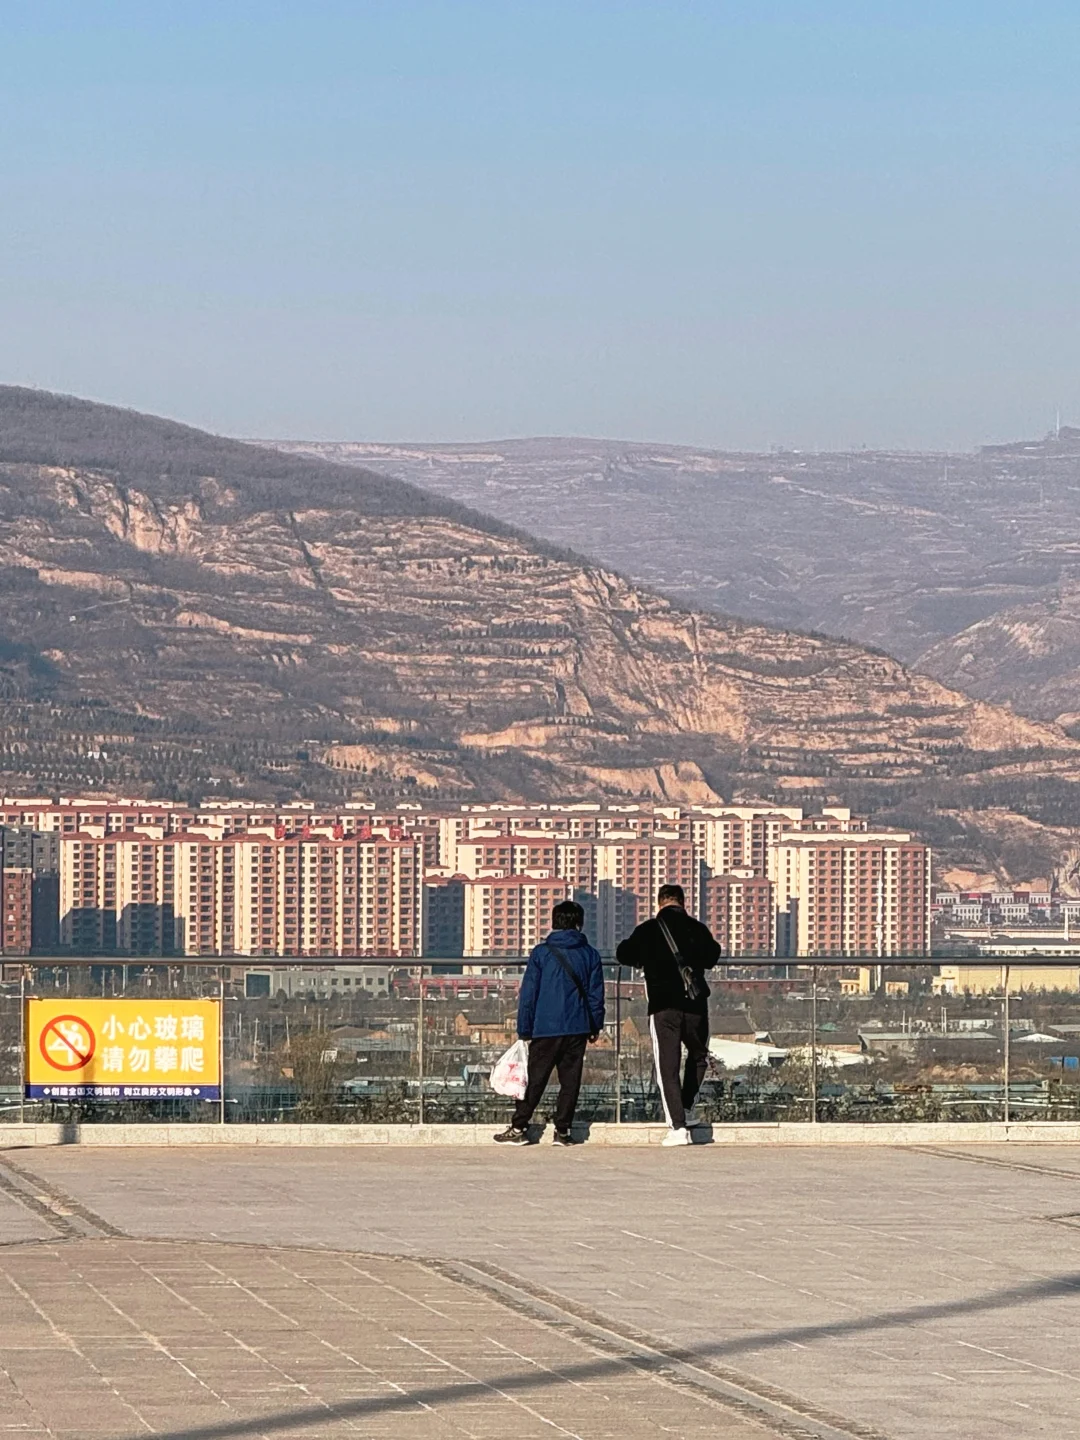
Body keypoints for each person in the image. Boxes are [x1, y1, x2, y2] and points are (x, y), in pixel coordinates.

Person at [616, 884, 722, 1147]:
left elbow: (623, 953)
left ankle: (677, 1126)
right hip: (696, 1005)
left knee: (667, 1065)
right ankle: (686, 1107)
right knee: (698, 1057)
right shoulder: (697, 929)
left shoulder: (648, 930)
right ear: (683, 902)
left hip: (664, 1007)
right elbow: (713, 955)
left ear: (659, 902)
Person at [494, 899, 605, 1146]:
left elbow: (528, 994)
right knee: (570, 1081)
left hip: (545, 1027)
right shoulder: (590, 955)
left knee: (534, 1079)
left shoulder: (541, 953)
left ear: (554, 923)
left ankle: (519, 1126)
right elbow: (596, 995)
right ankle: (562, 1131)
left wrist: (524, 1028)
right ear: (579, 923)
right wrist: (595, 1025)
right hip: (577, 1027)